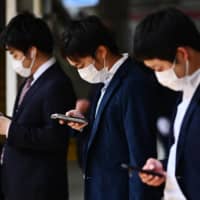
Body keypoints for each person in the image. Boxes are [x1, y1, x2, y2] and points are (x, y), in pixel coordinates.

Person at [60, 16, 162, 200]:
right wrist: (84, 123)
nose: (80, 72)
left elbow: (140, 155)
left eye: (80, 65)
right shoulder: (102, 81)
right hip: (101, 188)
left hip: (120, 192)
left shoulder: (133, 84)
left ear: (101, 52)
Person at [0, 12, 76, 200]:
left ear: (32, 51)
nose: (14, 60)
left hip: (39, 189)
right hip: (20, 185)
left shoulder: (56, 83)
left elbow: (55, 138)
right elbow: (30, 125)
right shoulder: (30, 80)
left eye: (15, 54)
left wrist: (9, 128)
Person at [133, 7, 200, 200]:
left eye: (159, 68)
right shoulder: (185, 89)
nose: (158, 75)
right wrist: (164, 166)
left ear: (182, 54)